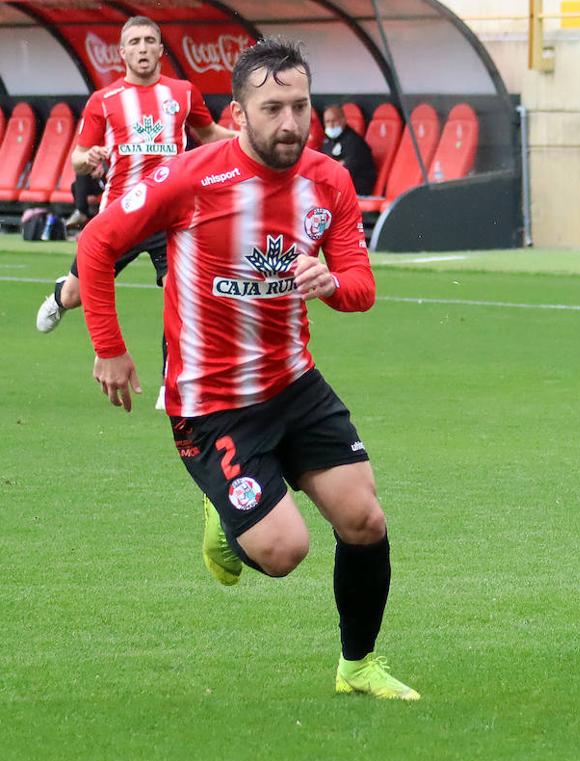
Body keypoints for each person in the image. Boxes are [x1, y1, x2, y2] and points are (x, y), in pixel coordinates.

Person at [76, 37, 419, 701]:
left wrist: (332, 282)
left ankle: (358, 666)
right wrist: (109, 346)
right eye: (272, 108)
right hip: (212, 404)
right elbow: (97, 245)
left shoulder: (330, 180)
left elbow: (361, 287)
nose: (289, 122)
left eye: (300, 106)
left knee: (365, 522)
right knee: (284, 553)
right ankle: (224, 508)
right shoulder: (192, 179)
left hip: (295, 385)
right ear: (238, 113)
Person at [35, 15, 236, 334]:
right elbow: (77, 158)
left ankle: (172, 380)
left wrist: (247, 137)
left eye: (149, 41)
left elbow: (208, 133)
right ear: (123, 52)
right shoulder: (103, 101)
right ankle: (61, 295)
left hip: (170, 215)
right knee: (77, 296)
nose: (142, 48)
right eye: (134, 42)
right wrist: (89, 157)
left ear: (160, 49)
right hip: (120, 213)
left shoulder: (183, 92)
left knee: (182, 298)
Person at [321, 104, 376, 195]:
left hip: (357, 187)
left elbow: (345, 170)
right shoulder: (328, 142)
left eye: (334, 121)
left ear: (343, 120)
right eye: (327, 121)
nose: (331, 125)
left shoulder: (354, 142)